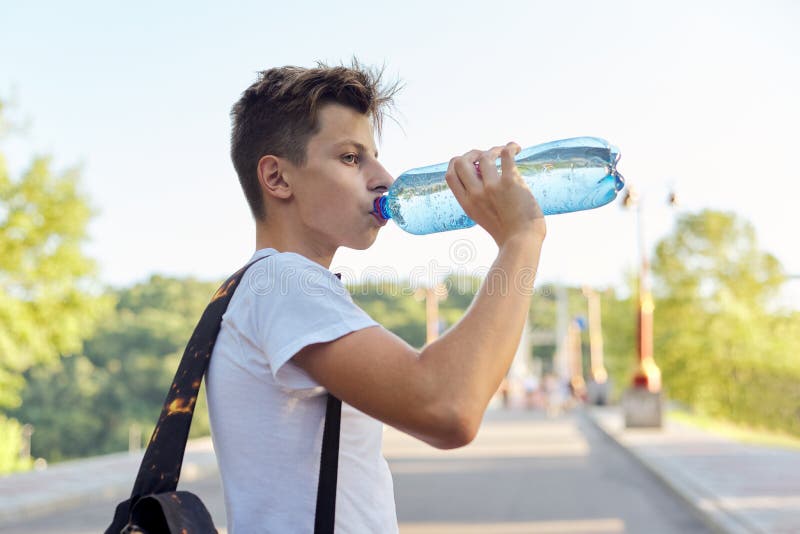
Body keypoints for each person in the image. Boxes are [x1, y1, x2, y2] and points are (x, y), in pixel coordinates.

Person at [205, 60, 546, 533]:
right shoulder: (284, 283)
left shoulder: (261, 288)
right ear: (278, 178)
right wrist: (522, 238)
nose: (384, 177)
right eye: (351, 157)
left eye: (374, 156)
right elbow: (448, 406)